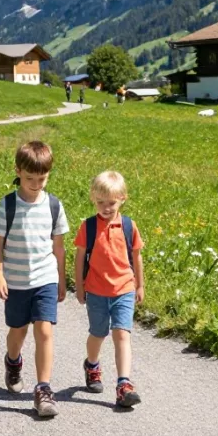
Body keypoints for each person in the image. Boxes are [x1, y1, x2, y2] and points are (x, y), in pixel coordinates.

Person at [0, 141, 69, 418]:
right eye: (30, 178)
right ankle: (13, 361)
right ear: (18, 171)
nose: (36, 184)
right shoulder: (8, 205)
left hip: (45, 277)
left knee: (44, 330)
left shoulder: (54, 205)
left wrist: (61, 278)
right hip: (16, 280)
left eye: (42, 179)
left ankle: (43, 389)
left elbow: (58, 247)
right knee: (18, 331)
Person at [74, 171, 145, 408]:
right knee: (98, 333)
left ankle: (123, 384)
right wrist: (80, 286)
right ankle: (92, 365)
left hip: (124, 288)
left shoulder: (128, 226)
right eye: (100, 202)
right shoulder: (89, 226)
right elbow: (80, 257)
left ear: (123, 198)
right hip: (96, 291)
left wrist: (140, 284)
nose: (106, 207)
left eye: (111, 203)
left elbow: (136, 257)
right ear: (93, 199)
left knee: (121, 333)